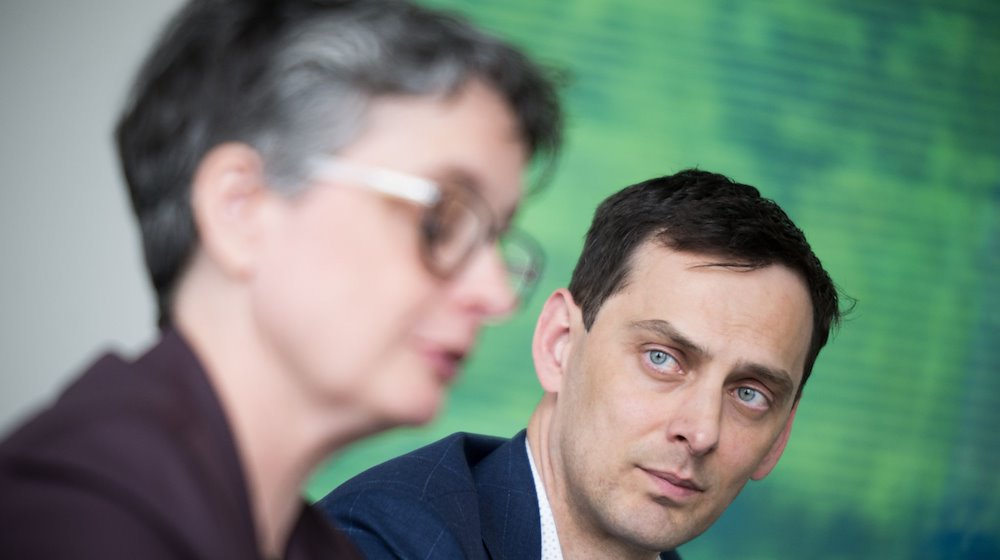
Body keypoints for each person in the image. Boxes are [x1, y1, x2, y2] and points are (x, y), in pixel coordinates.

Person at [0, 0, 562, 558]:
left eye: (495, 238)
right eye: (440, 220)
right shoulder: (69, 523)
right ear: (240, 207)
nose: (494, 293)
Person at [320, 169, 845, 559]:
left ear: (779, 438)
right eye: (663, 358)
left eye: (749, 393)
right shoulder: (384, 541)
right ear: (559, 344)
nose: (701, 431)